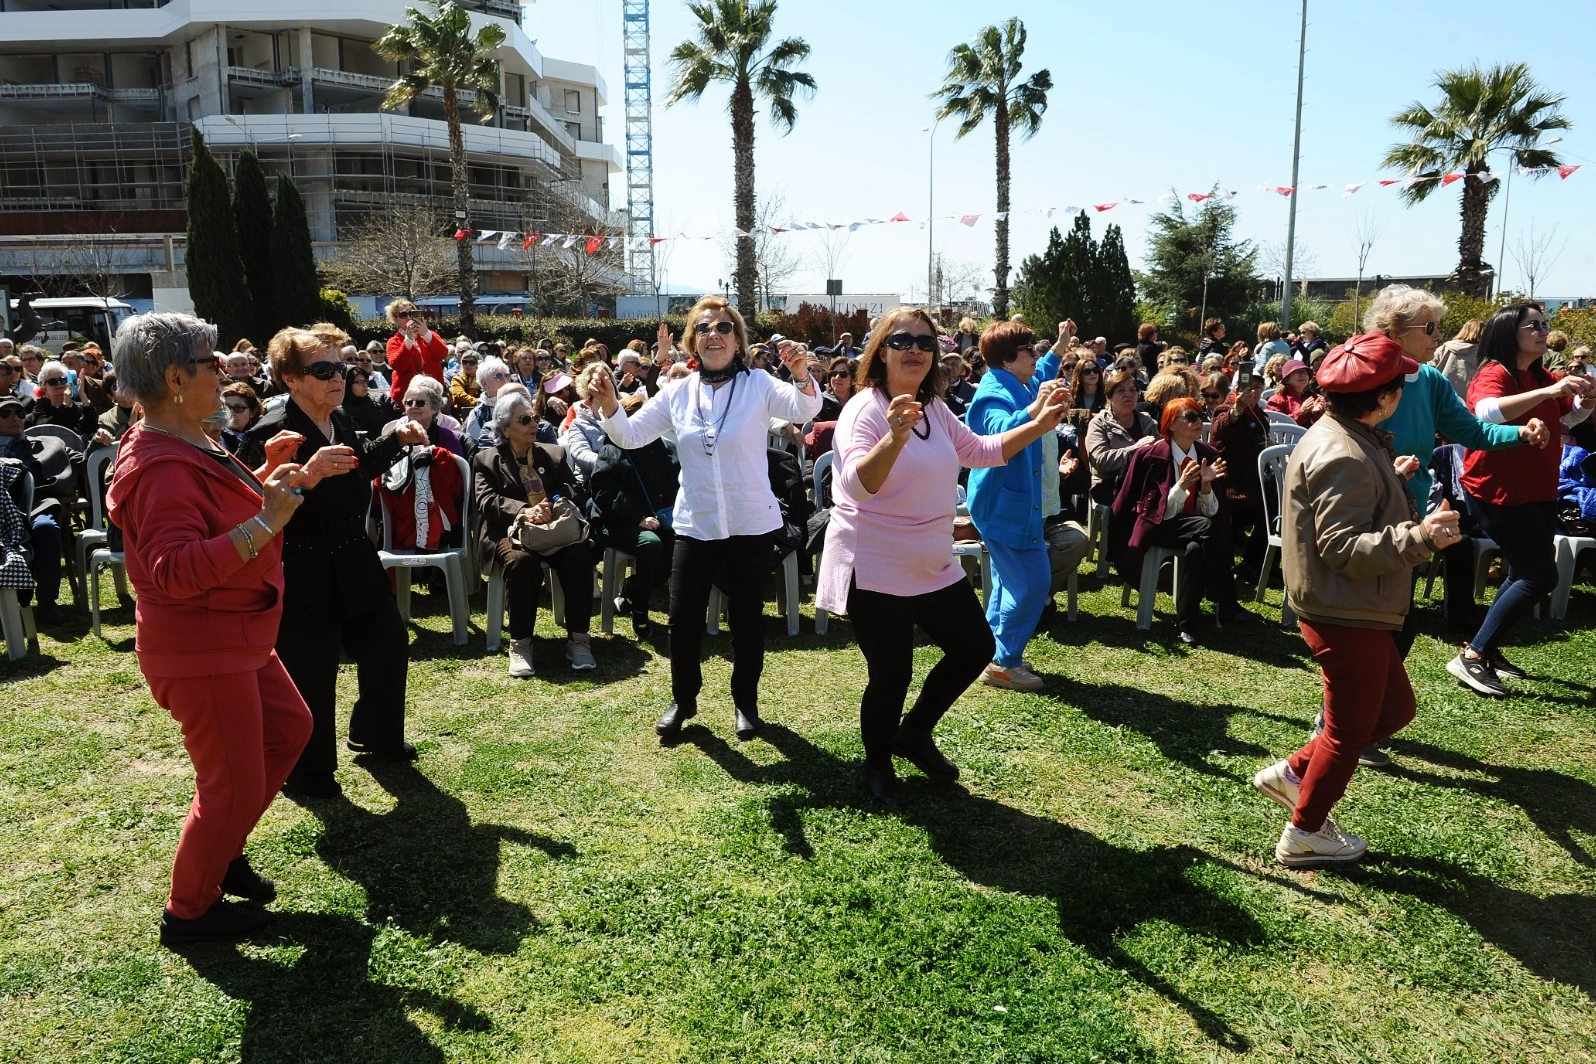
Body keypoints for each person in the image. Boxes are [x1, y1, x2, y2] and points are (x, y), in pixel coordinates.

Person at [102, 311, 316, 944]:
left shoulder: (191, 435)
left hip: (235, 634)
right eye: (211, 361)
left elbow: (222, 513)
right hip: (202, 646)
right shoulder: (162, 463)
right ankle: (190, 912)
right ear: (174, 378)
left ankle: (222, 851)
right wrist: (267, 522)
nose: (225, 371)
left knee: (289, 729)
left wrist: (270, 481)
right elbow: (172, 569)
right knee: (230, 785)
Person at [815, 307, 1065, 805]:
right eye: (902, 340)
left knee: (974, 647)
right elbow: (855, 487)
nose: (915, 349)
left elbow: (979, 450)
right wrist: (894, 437)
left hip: (930, 561)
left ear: (936, 355)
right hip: (875, 560)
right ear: (881, 351)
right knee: (892, 672)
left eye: (925, 343)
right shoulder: (864, 409)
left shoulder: (934, 406)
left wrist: (1038, 423)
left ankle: (913, 733)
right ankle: (879, 762)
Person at [1252, 333, 1459, 867]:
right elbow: (1342, 547)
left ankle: (1296, 773)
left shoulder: (1350, 436)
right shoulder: (1343, 450)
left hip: (1355, 605)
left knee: (1392, 710)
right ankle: (1305, 833)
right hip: (1344, 608)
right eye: (1401, 384)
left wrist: (1390, 478)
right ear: (1385, 396)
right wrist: (1422, 538)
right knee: (1347, 735)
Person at [586, 295, 822, 741]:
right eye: (705, 328)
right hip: (696, 522)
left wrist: (800, 374)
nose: (715, 335)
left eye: (724, 328)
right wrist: (610, 403)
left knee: (747, 619)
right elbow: (632, 436)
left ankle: (746, 702)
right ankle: (684, 698)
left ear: (738, 339)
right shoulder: (676, 392)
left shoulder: (759, 385)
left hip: (751, 522)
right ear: (693, 341)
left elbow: (806, 409)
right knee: (683, 617)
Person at [240, 323, 428, 801]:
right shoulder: (272, 431)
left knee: (388, 643)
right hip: (301, 565)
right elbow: (247, 500)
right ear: (291, 378)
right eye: (321, 370)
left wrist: (396, 440)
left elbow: (357, 463)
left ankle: (376, 736)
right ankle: (308, 771)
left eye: (340, 367)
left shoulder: (338, 417)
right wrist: (307, 475)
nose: (336, 377)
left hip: (352, 553)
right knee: (312, 671)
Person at [1449, 303, 1594, 697]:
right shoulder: (1495, 372)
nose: (1543, 330)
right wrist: (1549, 389)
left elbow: (1567, 418)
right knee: (1539, 574)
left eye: (1544, 324)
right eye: (1533, 325)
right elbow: (1485, 413)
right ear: (1508, 331)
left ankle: (1486, 650)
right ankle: (1474, 655)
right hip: (1499, 489)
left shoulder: (1539, 373)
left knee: (1522, 572)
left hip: (1537, 488)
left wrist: (1586, 401)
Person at [964, 320, 1074, 690]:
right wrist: (1037, 413)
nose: (1035, 355)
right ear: (1010, 359)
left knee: (1009, 580)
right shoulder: (993, 392)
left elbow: (1041, 373)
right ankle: (1004, 662)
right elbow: (998, 432)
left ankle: (993, 653)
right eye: (1030, 349)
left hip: (1008, 503)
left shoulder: (1018, 381)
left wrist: (1059, 347)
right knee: (1032, 582)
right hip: (1003, 506)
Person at [473, 384, 597, 676]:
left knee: (579, 553)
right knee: (522, 562)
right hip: (507, 532)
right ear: (505, 429)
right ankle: (521, 644)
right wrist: (524, 510)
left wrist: (551, 504)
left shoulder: (552, 454)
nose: (533, 424)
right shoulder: (486, 460)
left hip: (555, 528)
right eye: (524, 420)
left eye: (534, 418)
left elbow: (574, 488)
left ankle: (579, 639)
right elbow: (487, 501)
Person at [1112, 397, 1252, 645]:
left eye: (1199, 415)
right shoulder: (1151, 455)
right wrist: (1181, 486)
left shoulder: (1208, 454)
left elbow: (1210, 512)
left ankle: (1187, 625)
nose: (1199, 421)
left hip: (1196, 528)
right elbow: (1154, 512)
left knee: (1196, 548)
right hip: (1159, 526)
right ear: (1171, 424)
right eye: (1190, 417)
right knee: (1207, 528)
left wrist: (1206, 486)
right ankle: (1227, 602)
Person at [589, 388, 680, 637]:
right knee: (651, 545)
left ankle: (631, 589)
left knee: (682, 544)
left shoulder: (666, 448)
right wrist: (638, 518)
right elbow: (603, 492)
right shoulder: (614, 448)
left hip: (661, 518)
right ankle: (640, 607)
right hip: (618, 521)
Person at [1208, 370, 1270, 580]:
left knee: (1278, 507)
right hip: (1229, 484)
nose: (1253, 392)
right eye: (1248, 387)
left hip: (1254, 483)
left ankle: (1256, 564)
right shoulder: (1225, 411)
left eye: (1258, 387)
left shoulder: (1261, 416)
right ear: (1236, 390)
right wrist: (1238, 408)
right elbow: (1221, 429)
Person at [1085, 369, 1159, 504]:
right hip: (1109, 484)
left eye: (1132, 390)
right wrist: (1135, 449)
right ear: (1109, 397)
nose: (1128, 394)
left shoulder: (1148, 422)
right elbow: (1100, 461)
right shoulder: (1099, 423)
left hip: (1146, 482)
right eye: (1121, 391)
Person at [383, 299, 448, 405]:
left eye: (411, 313)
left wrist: (426, 334)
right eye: (403, 315)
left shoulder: (429, 335)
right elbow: (398, 365)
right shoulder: (393, 342)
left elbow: (442, 354)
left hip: (433, 396)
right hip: (407, 399)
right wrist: (408, 340)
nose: (409, 318)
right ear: (395, 319)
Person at [561, 363, 611, 486]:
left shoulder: (625, 416)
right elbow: (580, 454)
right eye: (596, 383)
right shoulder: (578, 424)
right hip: (594, 482)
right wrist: (612, 464)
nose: (601, 388)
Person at [394, 374, 465, 458]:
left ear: (434, 408)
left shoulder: (447, 437)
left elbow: (454, 467)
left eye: (420, 402)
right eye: (409, 403)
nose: (414, 406)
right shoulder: (398, 434)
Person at [25, 360, 97, 437]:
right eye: (53, 382)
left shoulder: (79, 406)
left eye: (63, 379)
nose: (59, 383)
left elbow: (94, 429)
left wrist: (83, 396)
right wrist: (64, 406)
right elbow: (46, 430)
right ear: (44, 389)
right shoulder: (40, 408)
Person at [341, 364, 402, 441]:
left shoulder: (382, 399)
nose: (365, 385)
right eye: (360, 382)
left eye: (365, 381)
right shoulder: (341, 409)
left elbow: (400, 418)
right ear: (348, 384)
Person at [1434, 318, 1484, 399]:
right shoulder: (1481, 353)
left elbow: (1430, 367)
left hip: (1440, 397)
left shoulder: (1443, 348)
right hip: (1466, 401)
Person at [1266, 359, 1326, 427]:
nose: (1302, 375)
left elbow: (1323, 427)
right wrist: (1301, 412)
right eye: (1297, 372)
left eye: (1304, 372)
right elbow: (1278, 427)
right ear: (1287, 380)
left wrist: (1315, 413)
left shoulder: (1314, 398)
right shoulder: (1276, 400)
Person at [219, 382, 262, 455]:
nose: (231, 413)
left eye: (238, 408)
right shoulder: (217, 436)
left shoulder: (261, 435)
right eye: (226, 407)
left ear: (252, 412)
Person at [817, 356, 857, 422]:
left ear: (853, 379)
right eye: (834, 373)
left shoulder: (860, 400)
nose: (837, 377)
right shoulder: (820, 401)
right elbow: (817, 428)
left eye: (843, 374)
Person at [449, 350, 482, 414]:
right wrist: (478, 402)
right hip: (463, 414)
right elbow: (460, 396)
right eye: (465, 362)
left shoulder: (484, 378)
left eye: (472, 362)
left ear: (478, 364)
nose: (468, 365)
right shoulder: (457, 379)